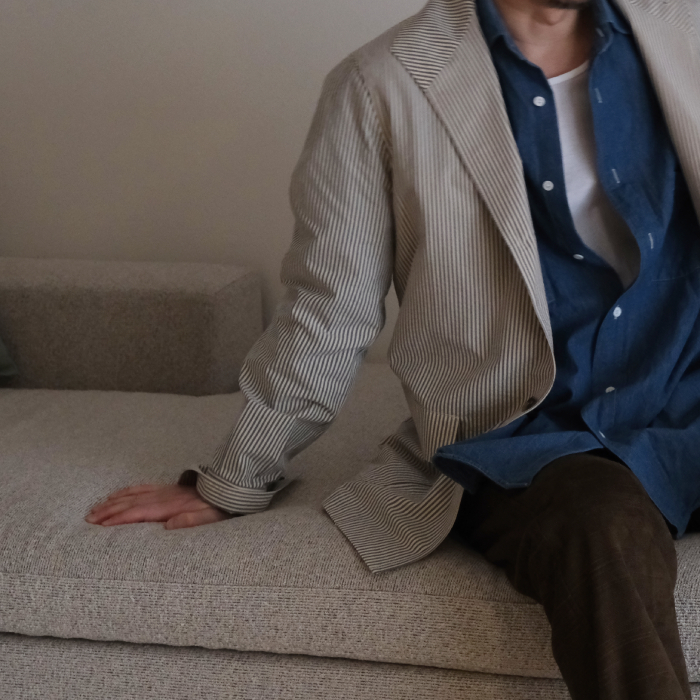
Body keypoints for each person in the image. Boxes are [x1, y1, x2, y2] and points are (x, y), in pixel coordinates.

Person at [85, 0, 700, 696]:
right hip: (535, 438)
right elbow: (330, 304)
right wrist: (236, 476)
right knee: (601, 526)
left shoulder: (679, 34)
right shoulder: (381, 85)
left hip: (685, 399)